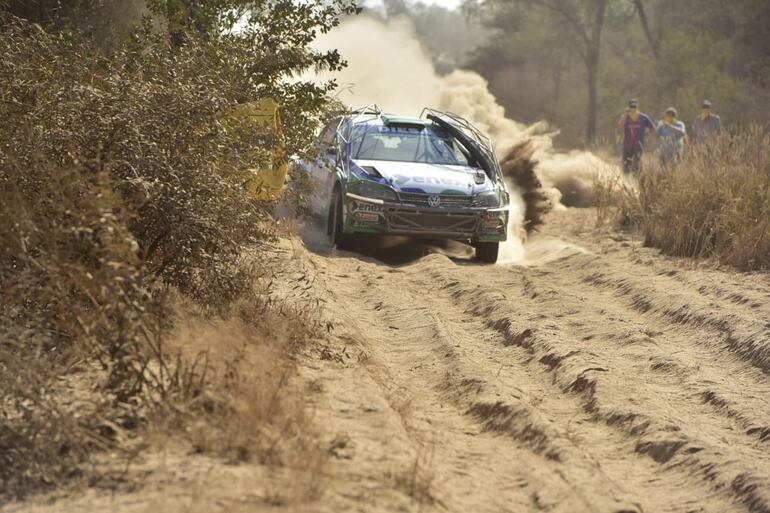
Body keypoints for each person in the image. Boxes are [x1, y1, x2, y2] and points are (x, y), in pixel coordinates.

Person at [617, 99, 655, 174]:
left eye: (635, 106)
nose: (633, 108)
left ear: (637, 107)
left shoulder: (644, 117)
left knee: (637, 164)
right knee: (626, 165)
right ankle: (626, 181)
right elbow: (620, 127)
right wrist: (625, 114)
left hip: (639, 145)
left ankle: (636, 181)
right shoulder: (625, 117)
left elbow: (653, 128)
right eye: (631, 106)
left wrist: (648, 137)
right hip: (627, 145)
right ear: (628, 107)